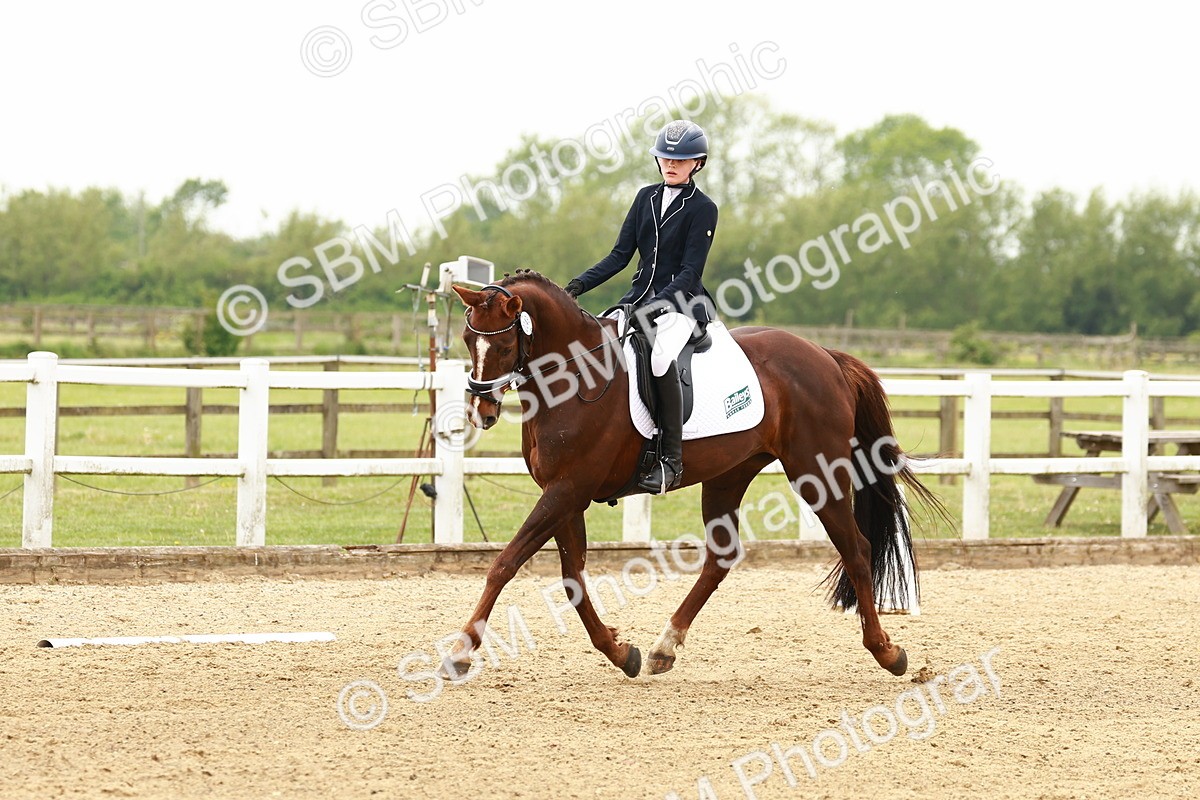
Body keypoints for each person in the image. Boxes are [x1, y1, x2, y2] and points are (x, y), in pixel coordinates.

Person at [564, 119, 719, 494]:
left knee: (661, 358)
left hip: (683, 304)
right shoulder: (644, 197)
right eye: (665, 157)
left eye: (680, 160)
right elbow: (619, 256)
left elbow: (690, 271)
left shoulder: (703, 208)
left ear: (697, 163)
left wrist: (660, 305)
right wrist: (576, 286)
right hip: (637, 301)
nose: (671, 164)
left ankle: (671, 460)